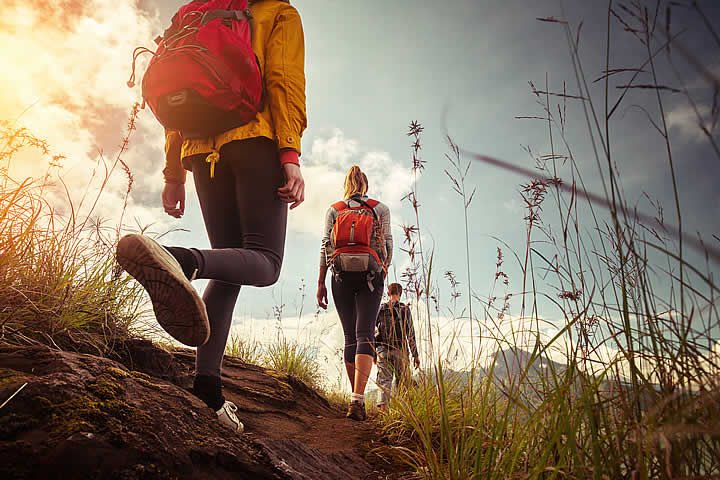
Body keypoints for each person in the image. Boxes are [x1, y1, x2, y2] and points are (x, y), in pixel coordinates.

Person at [116, 0, 306, 433]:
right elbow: (284, 82)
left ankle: (207, 389)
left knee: (229, 268)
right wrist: (290, 153)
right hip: (254, 140)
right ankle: (181, 261)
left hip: (199, 149)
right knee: (265, 262)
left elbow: (174, 96)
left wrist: (173, 171)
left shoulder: (193, 14)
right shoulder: (277, 12)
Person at [317, 165, 393, 421]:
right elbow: (388, 244)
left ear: (347, 185)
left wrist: (321, 282)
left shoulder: (335, 210)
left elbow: (325, 246)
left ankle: (355, 397)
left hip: (339, 277)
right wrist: (381, 271)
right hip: (371, 276)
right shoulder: (379, 208)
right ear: (366, 186)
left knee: (351, 335)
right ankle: (358, 398)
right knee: (365, 333)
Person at [374, 283, 419, 412]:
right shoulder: (404, 308)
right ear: (401, 293)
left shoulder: (380, 308)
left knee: (384, 381)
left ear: (388, 293)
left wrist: (373, 352)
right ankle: (401, 412)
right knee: (403, 381)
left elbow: (374, 330)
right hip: (401, 350)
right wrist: (415, 355)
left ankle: (384, 412)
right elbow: (410, 333)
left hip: (382, 350)